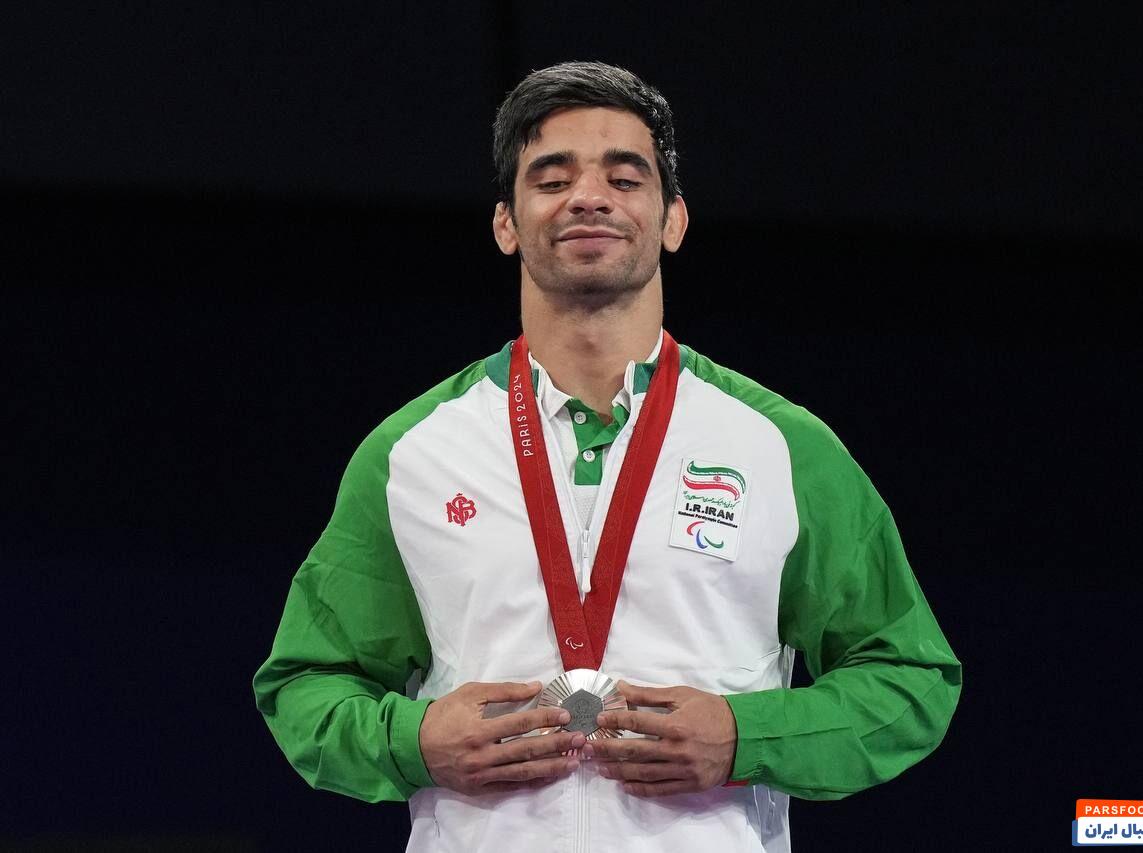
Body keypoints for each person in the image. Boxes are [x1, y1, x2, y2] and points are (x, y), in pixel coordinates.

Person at [252, 60, 962, 852]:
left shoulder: (781, 447)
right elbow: (305, 686)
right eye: (552, 179)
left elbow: (911, 679)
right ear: (506, 223)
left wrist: (745, 735)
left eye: (624, 179)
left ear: (673, 220)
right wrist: (414, 740)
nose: (589, 197)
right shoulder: (412, 454)